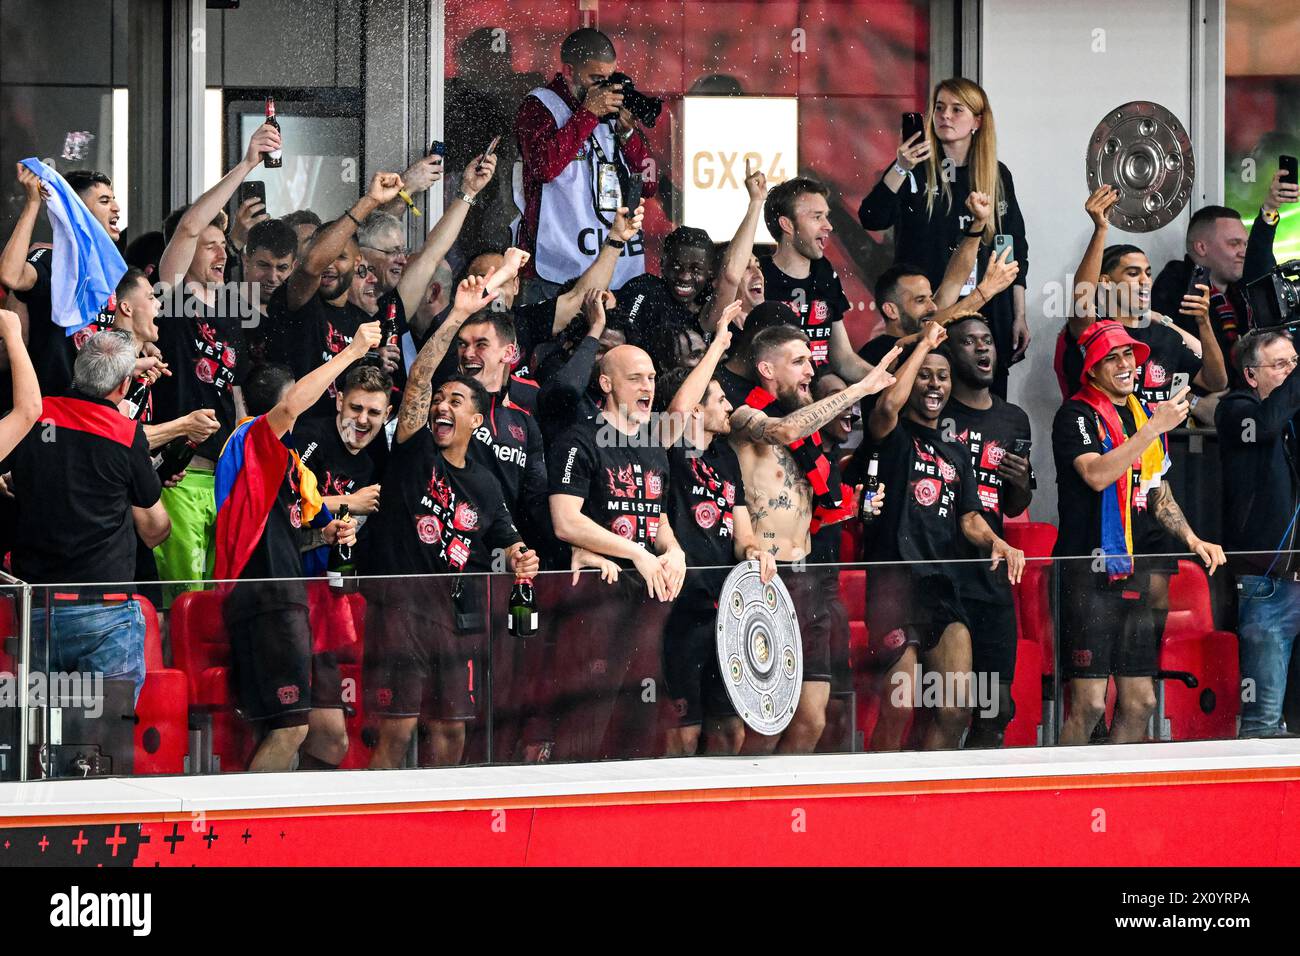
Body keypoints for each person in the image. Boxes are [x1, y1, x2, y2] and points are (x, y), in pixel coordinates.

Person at [360, 275, 539, 768]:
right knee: (395, 736)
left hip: (456, 621)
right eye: (440, 400)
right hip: (398, 612)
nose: (441, 405)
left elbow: (509, 542)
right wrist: (458, 314)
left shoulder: (484, 483)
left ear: (476, 421)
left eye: (455, 402)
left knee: (451, 736)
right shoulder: (414, 452)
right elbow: (418, 380)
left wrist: (523, 557)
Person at [1063, 189, 1227, 679]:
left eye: (1147, 272)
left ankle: (1138, 674)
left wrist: (1201, 323)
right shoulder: (1094, 336)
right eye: (1132, 273)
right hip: (1100, 496)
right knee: (1091, 688)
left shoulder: (1163, 333)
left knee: (1141, 669)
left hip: (1151, 483)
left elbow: (1216, 382)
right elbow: (1081, 302)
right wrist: (1100, 230)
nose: (1144, 280)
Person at [851, 322, 1023, 751]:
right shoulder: (888, 435)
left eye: (942, 377)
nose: (934, 384)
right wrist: (925, 344)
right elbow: (889, 404)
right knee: (902, 702)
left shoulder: (956, 450)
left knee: (954, 708)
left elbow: (970, 517)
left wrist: (996, 542)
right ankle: (880, 795)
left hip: (943, 588)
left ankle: (924, 796)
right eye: (925, 375)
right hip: (893, 588)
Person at [1052, 320, 1225, 746]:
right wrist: (1152, 429)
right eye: (1111, 358)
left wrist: (1192, 539)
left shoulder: (1143, 414)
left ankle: (1110, 793)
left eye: (1128, 354)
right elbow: (1095, 474)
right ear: (1091, 371)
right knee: (1090, 704)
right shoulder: (1075, 414)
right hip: (1087, 573)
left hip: (1137, 571)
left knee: (1141, 701)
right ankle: (1065, 796)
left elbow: (1156, 493)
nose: (1125, 364)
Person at [213, 326, 378, 772]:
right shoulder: (252, 438)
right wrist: (354, 349)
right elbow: (289, 405)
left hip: (289, 602)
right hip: (265, 601)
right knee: (290, 729)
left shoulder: (284, 464)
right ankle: (244, 835)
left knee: (320, 735)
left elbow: (285, 529)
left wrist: (324, 536)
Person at [728, 325, 899, 753]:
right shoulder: (743, 417)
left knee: (812, 717)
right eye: (799, 362)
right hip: (763, 579)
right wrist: (860, 389)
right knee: (765, 724)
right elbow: (782, 430)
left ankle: (781, 814)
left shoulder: (810, 436)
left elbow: (804, 506)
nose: (811, 370)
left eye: (810, 359)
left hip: (808, 580)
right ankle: (747, 810)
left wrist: (852, 505)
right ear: (767, 368)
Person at [152, 124, 281, 603]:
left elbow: (234, 385)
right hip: (180, 473)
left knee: (222, 599)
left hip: (223, 472)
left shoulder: (231, 307)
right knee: (183, 602)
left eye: (223, 245)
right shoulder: (168, 299)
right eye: (210, 245)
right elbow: (188, 226)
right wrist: (247, 163)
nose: (221, 252)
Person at [10, 330, 169, 706]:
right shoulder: (125, 434)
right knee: (103, 746)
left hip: (37, 609)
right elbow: (152, 515)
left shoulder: (35, 415)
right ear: (124, 386)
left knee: (37, 740)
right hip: (106, 611)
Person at [546, 342, 688, 762]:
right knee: (585, 723)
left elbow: (655, 516)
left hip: (645, 605)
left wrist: (673, 550)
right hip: (592, 602)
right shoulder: (579, 440)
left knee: (639, 725)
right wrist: (637, 554)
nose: (648, 387)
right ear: (606, 383)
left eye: (650, 378)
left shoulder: (653, 446)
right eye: (635, 378)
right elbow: (565, 520)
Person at [657, 302, 777, 756]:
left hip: (728, 610)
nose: (730, 404)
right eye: (719, 398)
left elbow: (742, 530)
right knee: (683, 735)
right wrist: (720, 343)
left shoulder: (726, 456)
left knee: (731, 730)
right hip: (681, 610)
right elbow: (679, 408)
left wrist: (754, 553)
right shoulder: (671, 449)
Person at [858, 78, 1028, 397]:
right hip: (931, 309)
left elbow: (1014, 246)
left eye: (956, 109)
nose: (945, 116)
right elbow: (872, 217)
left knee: (986, 401)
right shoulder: (916, 170)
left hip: (988, 311)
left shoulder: (997, 175)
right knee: (929, 396)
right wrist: (901, 166)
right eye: (939, 108)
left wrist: (1019, 314)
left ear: (977, 121)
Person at [941, 314, 1033, 747]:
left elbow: (1014, 505)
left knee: (996, 706)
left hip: (991, 575)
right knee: (946, 705)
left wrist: (1020, 482)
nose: (982, 349)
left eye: (987, 341)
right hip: (942, 572)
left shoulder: (1013, 419)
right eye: (969, 342)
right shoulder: (933, 409)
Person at [514, 27, 658, 302]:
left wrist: (628, 135)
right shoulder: (540, 105)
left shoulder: (613, 108)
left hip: (616, 268)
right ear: (569, 71)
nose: (605, 87)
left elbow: (648, 184)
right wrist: (588, 114)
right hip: (556, 272)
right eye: (595, 78)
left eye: (609, 77)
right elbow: (544, 168)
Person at [265, 171, 410, 421]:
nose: (329, 265)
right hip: (297, 441)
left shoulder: (364, 322)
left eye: (340, 257)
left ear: (357, 263)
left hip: (344, 446)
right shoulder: (299, 301)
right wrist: (371, 200)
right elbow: (312, 266)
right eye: (325, 256)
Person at [1216, 331, 1300, 737]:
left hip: (1296, 578)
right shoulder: (1236, 410)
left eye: (1295, 363)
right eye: (1282, 365)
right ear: (1251, 375)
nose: (1291, 373)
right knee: (1263, 721)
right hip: (1264, 582)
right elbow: (1262, 427)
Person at [1152, 167, 1300, 361]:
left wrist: (1270, 209)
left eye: (1245, 244)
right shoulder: (1177, 283)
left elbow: (1260, 266)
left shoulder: (1239, 289)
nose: (1243, 252)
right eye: (1234, 243)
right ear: (1202, 248)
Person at [0, 165, 123, 397]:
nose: (116, 208)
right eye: (104, 201)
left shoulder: (108, 270)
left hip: (92, 409)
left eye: (113, 200)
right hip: (52, 411)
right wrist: (32, 204)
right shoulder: (52, 260)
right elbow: (11, 275)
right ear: (76, 211)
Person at [858, 191, 1015, 368]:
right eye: (920, 300)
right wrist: (986, 291)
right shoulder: (877, 351)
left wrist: (978, 225)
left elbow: (954, 280)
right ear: (891, 310)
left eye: (930, 298)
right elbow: (926, 331)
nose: (932, 306)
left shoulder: (930, 331)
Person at [760, 177, 872, 380]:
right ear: (787, 224)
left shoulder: (825, 272)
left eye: (826, 217)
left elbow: (844, 359)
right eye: (817, 217)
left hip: (822, 386)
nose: (828, 226)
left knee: (834, 387)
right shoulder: (759, 275)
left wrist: (888, 381)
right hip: (777, 390)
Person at [616, 225, 715, 354]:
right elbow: (622, 342)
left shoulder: (712, 297)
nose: (684, 277)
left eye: (696, 269)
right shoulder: (645, 290)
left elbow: (731, 277)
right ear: (662, 264)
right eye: (676, 266)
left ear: (710, 271)